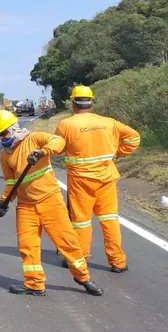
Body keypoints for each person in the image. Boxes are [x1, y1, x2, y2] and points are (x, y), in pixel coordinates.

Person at [0, 110, 103, 297]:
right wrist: (3, 202)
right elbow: (11, 182)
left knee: (67, 242)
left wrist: (42, 152)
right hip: (25, 206)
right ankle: (34, 283)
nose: (1, 138)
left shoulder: (35, 139)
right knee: (27, 246)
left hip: (50, 200)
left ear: (14, 129)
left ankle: (83, 277)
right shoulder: (5, 155)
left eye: (3, 133)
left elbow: (59, 141)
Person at [55, 85, 141, 273]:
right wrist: (118, 153)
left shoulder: (66, 125)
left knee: (81, 222)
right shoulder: (109, 123)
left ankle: (80, 260)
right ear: (91, 102)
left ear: (73, 103)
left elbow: (56, 148)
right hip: (106, 178)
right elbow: (134, 138)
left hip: (80, 180)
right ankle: (118, 262)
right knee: (109, 219)